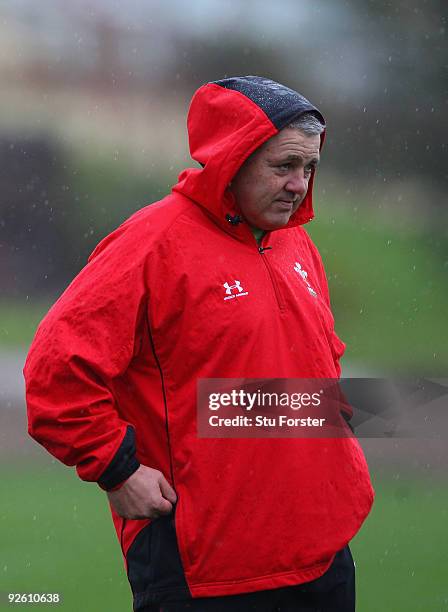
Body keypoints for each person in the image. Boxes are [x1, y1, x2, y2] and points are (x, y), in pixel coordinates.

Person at [24, 76, 374, 611]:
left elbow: (305, 374)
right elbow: (56, 371)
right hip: (204, 570)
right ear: (233, 160)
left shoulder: (296, 244)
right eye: (283, 166)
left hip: (321, 560)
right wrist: (116, 468)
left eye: (310, 168)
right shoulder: (152, 242)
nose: (299, 184)